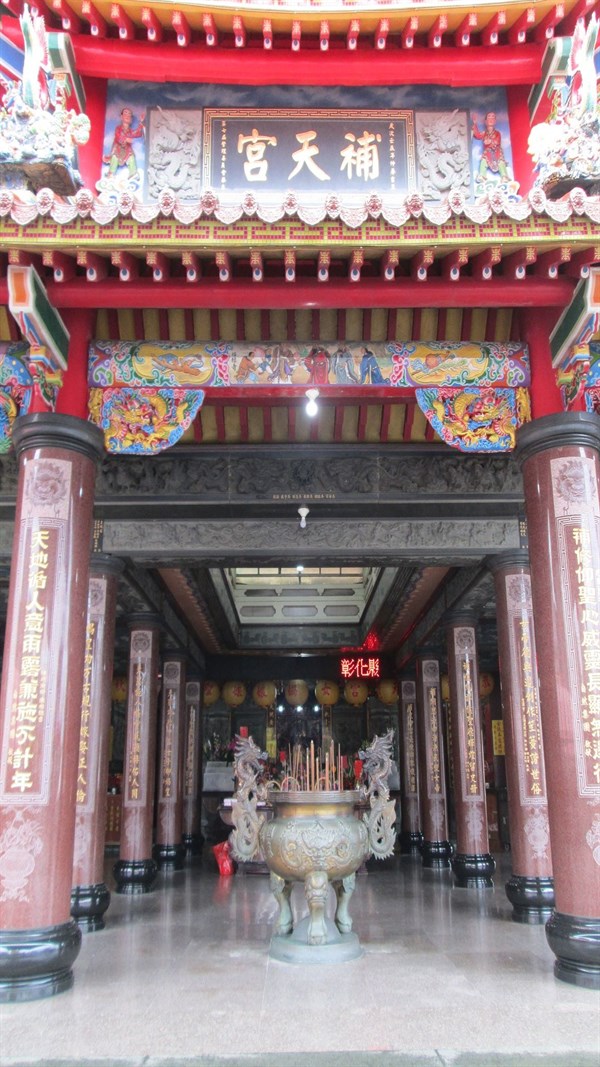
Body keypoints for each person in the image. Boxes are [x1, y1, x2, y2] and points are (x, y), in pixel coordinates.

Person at [104, 106, 145, 177]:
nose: (127, 116)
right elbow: (118, 137)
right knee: (115, 158)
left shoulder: (129, 131)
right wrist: (125, 139)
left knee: (131, 157)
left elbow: (137, 133)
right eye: (125, 114)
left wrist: (141, 122)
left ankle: (133, 174)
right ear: (121, 117)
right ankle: (111, 174)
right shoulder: (118, 128)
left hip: (127, 149)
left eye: (129, 115)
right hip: (118, 149)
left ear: (131, 119)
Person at [471, 111, 508, 180]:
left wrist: (490, 141)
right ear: (485, 121)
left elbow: (497, 141)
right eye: (489, 117)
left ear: (495, 121)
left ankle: (504, 176)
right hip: (487, 152)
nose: (491, 119)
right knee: (483, 160)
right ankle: (482, 175)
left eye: (493, 117)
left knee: (500, 162)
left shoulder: (497, 133)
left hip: (497, 152)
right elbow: (477, 135)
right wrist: (475, 123)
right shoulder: (484, 133)